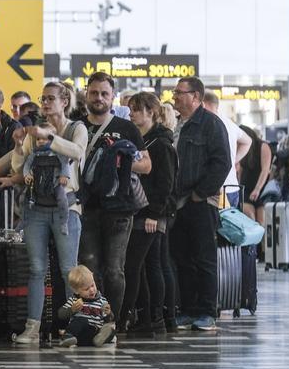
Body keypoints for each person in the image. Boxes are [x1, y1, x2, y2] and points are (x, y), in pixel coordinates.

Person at [7, 81, 88, 346]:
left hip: (67, 207)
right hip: (36, 208)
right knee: (36, 269)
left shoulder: (77, 128)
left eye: (50, 98)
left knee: (69, 271)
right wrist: (19, 145)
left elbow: (78, 152)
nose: (45, 103)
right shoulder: (35, 132)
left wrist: (49, 138)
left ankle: (75, 327)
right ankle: (32, 328)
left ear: (65, 101)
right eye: (42, 98)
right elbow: (20, 167)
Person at [78, 72, 150, 325]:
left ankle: (113, 323)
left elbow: (147, 165)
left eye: (104, 93)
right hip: (86, 207)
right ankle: (93, 321)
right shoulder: (76, 127)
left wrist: (118, 161)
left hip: (120, 209)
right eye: (94, 93)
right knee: (89, 269)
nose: (99, 98)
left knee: (114, 270)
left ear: (113, 97)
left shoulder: (126, 128)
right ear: (86, 94)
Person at [169, 76, 232, 332]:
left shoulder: (211, 124)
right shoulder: (178, 125)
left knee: (204, 258)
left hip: (201, 202)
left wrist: (200, 193)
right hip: (177, 203)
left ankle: (207, 311)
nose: (174, 96)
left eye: (179, 92)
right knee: (183, 257)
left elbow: (222, 163)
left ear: (195, 96)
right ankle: (189, 309)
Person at [122, 92, 176, 336]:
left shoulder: (160, 144)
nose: (131, 114)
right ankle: (155, 318)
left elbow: (166, 183)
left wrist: (154, 214)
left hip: (151, 213)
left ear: (150, 112)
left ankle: (151, 317)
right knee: (147, 264)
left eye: (136, 110)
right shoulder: (143, 141)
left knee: (140, 265)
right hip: (142, 210)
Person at [203, 91, 252, 208]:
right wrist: (233, 160)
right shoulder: (228, 122)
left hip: (216, 191)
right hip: (232, 188)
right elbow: (247, 141)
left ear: (203, 104)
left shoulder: (208, 123)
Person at [56, 265, 117, 347]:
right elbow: (60, 314)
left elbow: (108, 319)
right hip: (79, 335)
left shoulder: (102, 301)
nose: (91, 290)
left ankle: (101, 338)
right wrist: (72, 309)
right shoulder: (74, 300)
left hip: (95, 333)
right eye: (86, 289)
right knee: (81, 320)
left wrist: (108, 313)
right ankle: (67, 336)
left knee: (110, 328)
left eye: (92, 285)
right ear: (76, 291)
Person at [239, 123, 272, 227]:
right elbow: (240, 169)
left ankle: (262, 239)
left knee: (261, 222)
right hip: (245, 188)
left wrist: (257, 189)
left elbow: (265, 170)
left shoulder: (262, 146)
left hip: (261, 188)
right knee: (250, 217)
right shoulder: (242, 146)